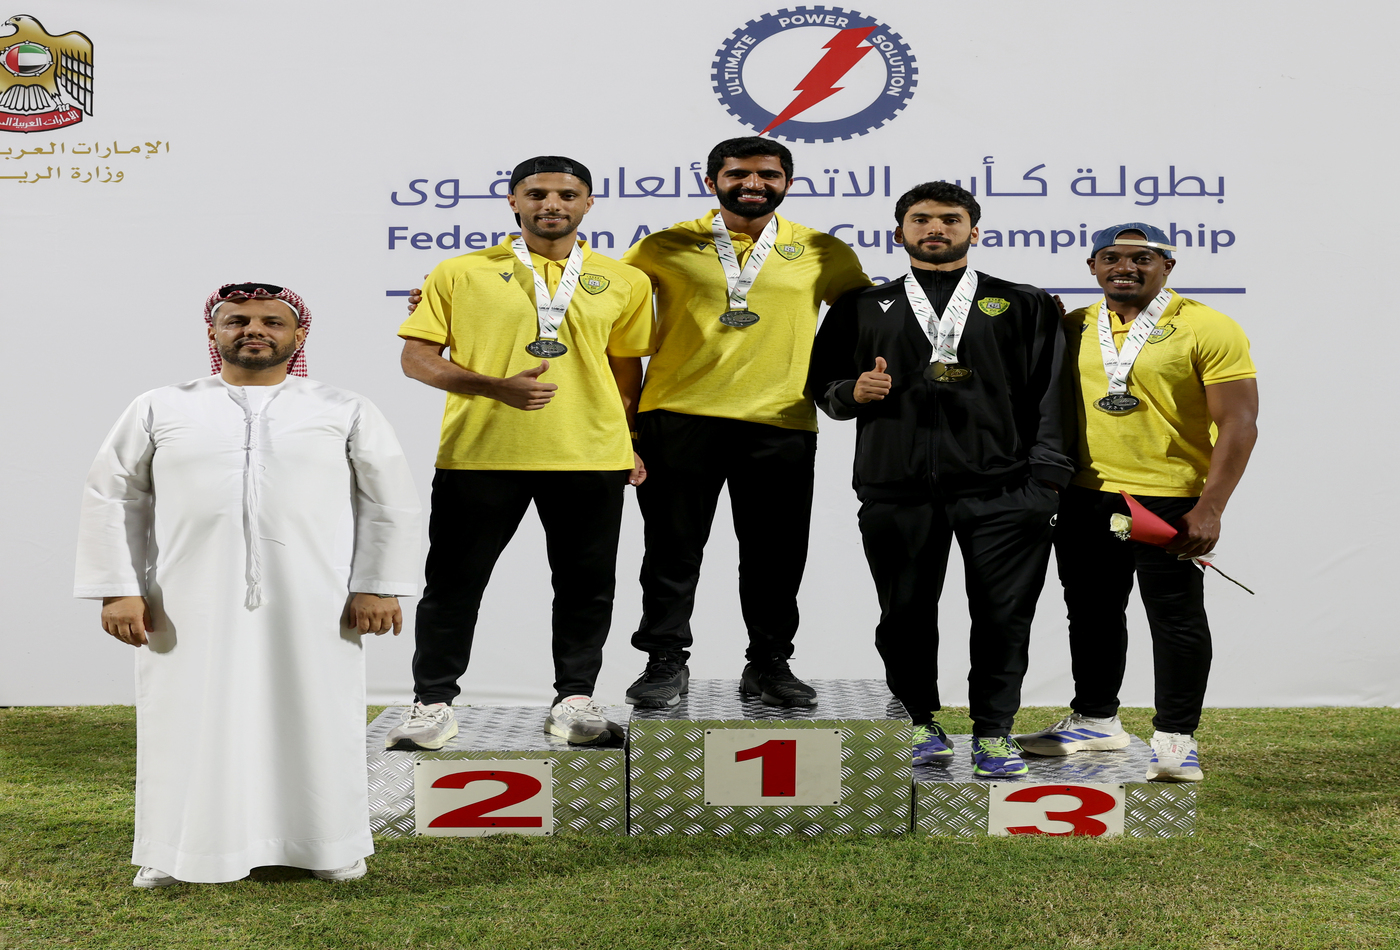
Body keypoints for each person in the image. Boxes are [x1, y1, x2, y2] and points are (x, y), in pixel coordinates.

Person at [75, 282, 421, 887]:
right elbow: (112, 497)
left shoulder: (343, 407)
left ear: (299, 335)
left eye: (271, 321)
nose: (253, 330)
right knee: (188, 718)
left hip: (315, 599)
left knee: (318, 713)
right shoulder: (160, 406)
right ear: (213, 333)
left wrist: (378, 583)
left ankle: (328, 845)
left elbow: (388, 501)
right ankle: (178, 850)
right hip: (185, 600)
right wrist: (117, 587)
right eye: (237, 320)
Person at [389, 155, 654, 751]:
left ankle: (575, 700)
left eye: (567, 193)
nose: (551, 204)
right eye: (536, 193)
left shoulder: (623, 280)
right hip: (481, 453)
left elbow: (625, 370)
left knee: (587, 586)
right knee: (454, 583)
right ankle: (432, 703)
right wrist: (494, 386)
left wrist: (631, 441)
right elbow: (416, 358)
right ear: (514, 201)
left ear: (589, 203)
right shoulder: (460, 272)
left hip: (589, 455)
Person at [808, 181, 1073, 777]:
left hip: (1004, 491)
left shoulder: (1023, 302)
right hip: (896, 490)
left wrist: (1047, 483)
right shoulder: (860, 306)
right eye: (921, 219)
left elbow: (1052, 394)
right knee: (903, 615)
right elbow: (822, 386)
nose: (936, 228)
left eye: (950, 219)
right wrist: (852, 392)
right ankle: (920, 722)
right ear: (898, 231)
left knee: (1004, 617)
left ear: (974, 231)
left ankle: (994, 732)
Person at [619, 136, 870, 709]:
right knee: (672, 551)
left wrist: (1025, 309)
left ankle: (770, 664)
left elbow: (875, 315)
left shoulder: (822, 251)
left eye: (768, 175)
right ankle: (664, 662)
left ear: (786, 182)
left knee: (775, 553)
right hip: (677, 417)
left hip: (780, 421)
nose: (753, 184)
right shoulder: (664, 245)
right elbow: (597, 300)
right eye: (738, 174)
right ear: (713, 181)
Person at [1017, 223, 1258, 783]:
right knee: (1092, 612)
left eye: (1142, 258)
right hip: (1086, 493)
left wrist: (1211, 507)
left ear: (1167, 266)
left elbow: (1240, 423)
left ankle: (1176, 737)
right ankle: (1097, 719)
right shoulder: (1075, 325)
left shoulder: (1207, 326)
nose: (1125, 267)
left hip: (1169, 500)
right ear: (1093, 267)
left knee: (1174, 617)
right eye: (1111, 258)